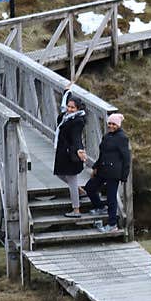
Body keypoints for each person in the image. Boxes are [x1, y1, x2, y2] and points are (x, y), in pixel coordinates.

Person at [84, 112, 130, 233]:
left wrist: (124, 176)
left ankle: (112, 224)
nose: (111, 126)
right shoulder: (106, 136)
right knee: (89, 187)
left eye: (114, 124)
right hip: (103, 170)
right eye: (109, 123)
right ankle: (100, 207)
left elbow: (126, 158)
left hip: (114, 173)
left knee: (111, 198)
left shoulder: (122, 138)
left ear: (118, 125)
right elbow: (102, 155)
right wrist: (95, 166)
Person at [52, 83, 89, 217]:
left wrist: (80, 150)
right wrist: (67, 91)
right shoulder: (66, 116)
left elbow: (76, 137)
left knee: (72, 180)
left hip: (71, 153)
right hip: (64, 152)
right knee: (60, 174)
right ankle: (80, 191)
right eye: (69, 106)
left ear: (78, 108)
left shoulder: (78, 121)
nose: (69, 109)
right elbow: (63, 106)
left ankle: (76, 209)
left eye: (72, 107)